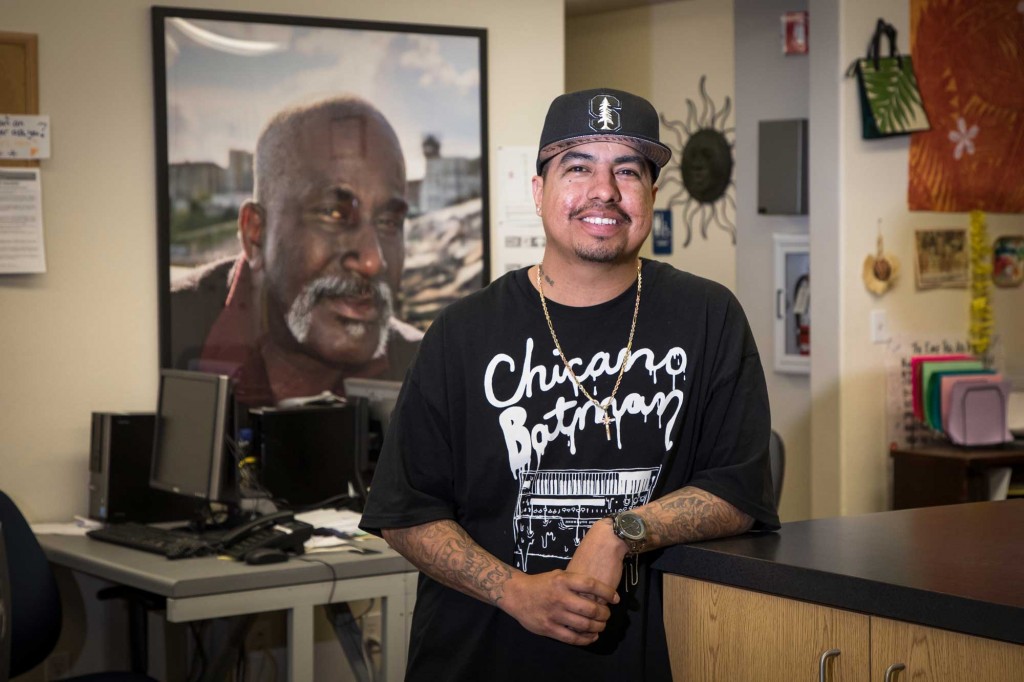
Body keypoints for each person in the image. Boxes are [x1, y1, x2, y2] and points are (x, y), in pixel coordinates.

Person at [360, 88, 780, 680]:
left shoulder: (709, 317)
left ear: (651, 196)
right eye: (578, 167)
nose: (604, 190)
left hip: (652, 659)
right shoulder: (462, 333)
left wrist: (622, 532)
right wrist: (514, 591)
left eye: (627, 170)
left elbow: (739, 492)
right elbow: (405, 511)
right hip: (479, 659)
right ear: (539, 192)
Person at [170, 96, 422, 406]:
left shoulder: (426, 373)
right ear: (255, 234)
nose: (372, 260)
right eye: (333, 214)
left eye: (388, 222)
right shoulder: (160, 336)